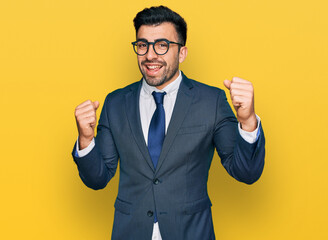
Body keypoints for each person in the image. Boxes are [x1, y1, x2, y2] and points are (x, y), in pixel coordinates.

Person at [72, 5, 265, 240]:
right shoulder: (115, 103)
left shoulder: (210, 101)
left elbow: (246, 172)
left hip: (191, 233)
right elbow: (98, 179)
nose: (150, 55)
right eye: (143, 45)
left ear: (182, 53)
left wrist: (247, 122)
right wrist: (85, 139)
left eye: (162, 45)